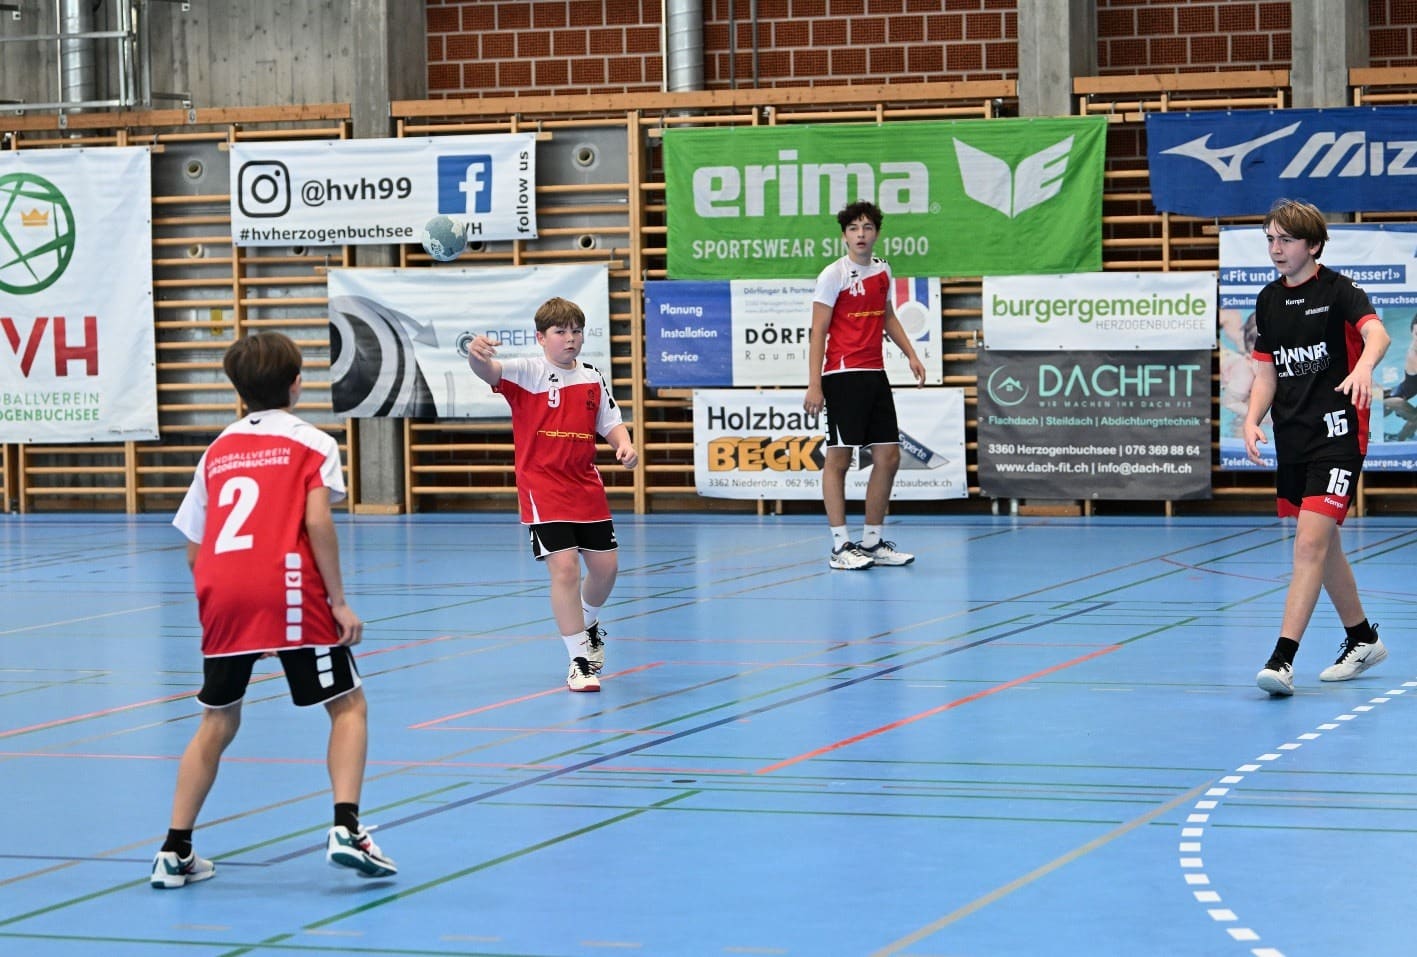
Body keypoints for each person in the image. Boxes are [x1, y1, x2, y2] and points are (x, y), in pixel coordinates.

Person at [153, 332, 395, 889]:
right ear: (296, 384)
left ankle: (173, 850)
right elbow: (318, 522)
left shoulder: (216, 451)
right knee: (348, 705)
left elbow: (193, 550)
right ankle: (346, 829)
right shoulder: (312, 443)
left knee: (217, 719)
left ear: (238, 391)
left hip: (221, 591)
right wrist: (337, 602)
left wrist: (236, 605)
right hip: (287, 586)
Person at [1245, 199, 1391, 696]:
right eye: (1270, 239)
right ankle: (1363, 638)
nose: (1276, 248)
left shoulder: (1340, 290)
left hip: (1339, 435)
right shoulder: (1268, 300)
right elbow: (1266, 371)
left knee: (1308, 545)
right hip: (1293, 438)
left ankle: (1282, 660)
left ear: (1312, 245)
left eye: (1285, 240)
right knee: (1323, 546)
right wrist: (1251, 419)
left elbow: (1377, 334)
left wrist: (1364, 366)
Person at [466, 297, 637, 692]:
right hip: (542, 487)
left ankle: (587, 620)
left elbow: (610, 422)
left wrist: (624, 446)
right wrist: (476, 356)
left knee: (607, 569)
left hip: (586, 486)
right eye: (560, 332)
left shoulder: (592, 376)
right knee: (565, 570)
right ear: (541, 337)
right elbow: (488, 370)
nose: (570, 338)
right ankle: (579, 662)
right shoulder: (527, 372)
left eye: (576, 331)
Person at [803, 200, 927, 570]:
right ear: (844, 235)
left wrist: (911, 354)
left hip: (875, 373)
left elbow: (888, 317)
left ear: (876, 233)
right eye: (854, 228)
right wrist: (814, 384)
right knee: (839, 459)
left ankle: (871, 542)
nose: (861, 234)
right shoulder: (833, 275)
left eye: (867, 227)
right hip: (842, 375)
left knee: (888, 457)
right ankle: (840, 547)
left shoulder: (883, 270)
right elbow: (818, 331)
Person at [1382, 314, 1417, 441]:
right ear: (1411, 332)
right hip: (1394, 399)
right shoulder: (1413, 355)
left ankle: (1401, 436)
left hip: (1394, 392)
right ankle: (1399, 440)